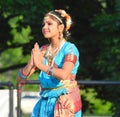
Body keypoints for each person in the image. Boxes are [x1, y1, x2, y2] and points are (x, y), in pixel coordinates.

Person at [17, 9, 82, 117]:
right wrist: (31, 61)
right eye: (43, 24)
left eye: (49, 24)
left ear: (61, 27)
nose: (44, 27)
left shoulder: (70, 49)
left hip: (63, 105)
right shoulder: (42, 50)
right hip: (44, 103)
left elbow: (63, 74)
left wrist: (40, 65)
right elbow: (20, 80)